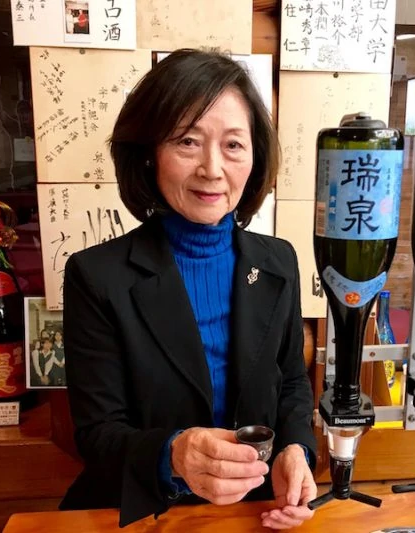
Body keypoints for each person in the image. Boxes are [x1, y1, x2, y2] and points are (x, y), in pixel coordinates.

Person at [60, 49, 317, 530]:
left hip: (255, 512)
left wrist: (295, 450)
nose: (212, 168)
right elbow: (98, 433)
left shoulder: (278, 260)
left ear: (255, 155)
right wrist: (173, 454)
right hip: (145, 513)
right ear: (148, 155)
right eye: (187, 142)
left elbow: (292, 383)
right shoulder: (97, 276)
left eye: (234, 145)